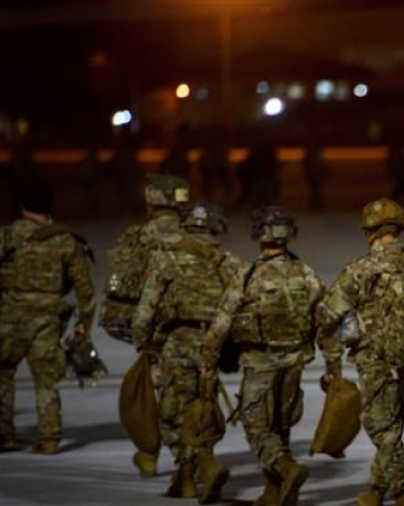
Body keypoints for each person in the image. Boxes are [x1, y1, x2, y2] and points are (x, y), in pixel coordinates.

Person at [316, 198, 404, 506]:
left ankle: (403, 491)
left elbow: (327, 314)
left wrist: (329, 340)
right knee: (393, 422)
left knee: (378, 424)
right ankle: (375, 489)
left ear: (370, 232)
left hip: (376, 357)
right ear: (399, 229)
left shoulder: (362, 269)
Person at [203, 206, 325, 506]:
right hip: (294, 362)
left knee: (257, 428)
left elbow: (222, 321)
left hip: (259, 363)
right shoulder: (305, 273)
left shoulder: (248, 274)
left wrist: (208, 359)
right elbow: (326, 321)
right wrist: (332, 365)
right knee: (280, 428)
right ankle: (275, 493)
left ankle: (287, 469)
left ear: (259, 235)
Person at [132, 201, 243, 503]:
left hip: (178, 342)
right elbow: (239, 306)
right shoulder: (229, 262)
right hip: (213, 345)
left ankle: (198, 470)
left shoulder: (166, 258)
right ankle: (190, 475)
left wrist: (142, 340)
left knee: (173, 412)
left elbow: (146, 308)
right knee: (202, 409)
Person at [101, 174, 190, 477]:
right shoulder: (197, 235)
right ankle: (175, 456)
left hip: (149, 327)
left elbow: (119, 283)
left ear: (151, 203)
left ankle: (163, 457)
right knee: (184, 390)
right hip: (191, 328)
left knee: (160, 390)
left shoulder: (137, 236)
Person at [0, 184, 96, 454]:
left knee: (3, 375)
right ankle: (49, 439)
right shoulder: (65, 240)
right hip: (47, 321)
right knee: (46, 381)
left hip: (9, 318)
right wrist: (83, 327)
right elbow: (86, 290)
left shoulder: (7, 236)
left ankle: (4, 435)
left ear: (23, 206)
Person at [303, 142, 330, 212]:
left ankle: (315, 205)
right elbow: (319, 166)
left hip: (314, 176)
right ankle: (315, 205)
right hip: (314, 176)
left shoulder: (312, 157)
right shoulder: (315, 157)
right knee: (316, 191)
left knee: (315, 191)